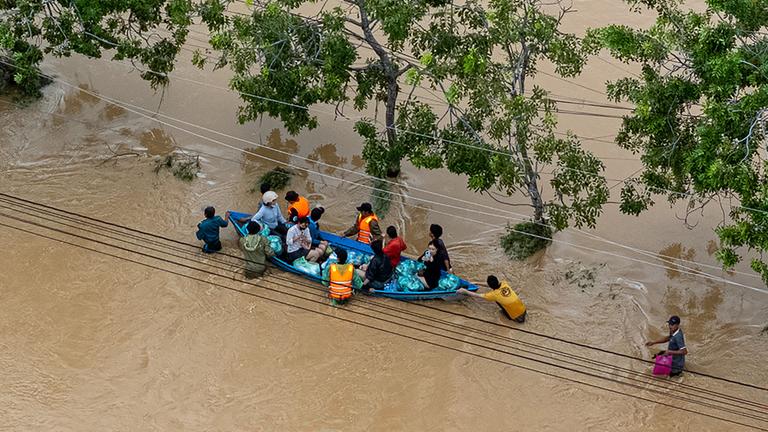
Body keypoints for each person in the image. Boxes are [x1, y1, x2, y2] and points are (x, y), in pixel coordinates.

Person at [458, 275, 527, 323]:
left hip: (517, 318)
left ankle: (506, 315)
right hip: (524, 310)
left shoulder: (493, 295)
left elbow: (477, 295)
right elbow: (492, 285)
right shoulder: (504, 283)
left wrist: (465, 291)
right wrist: (476, 282)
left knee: (497, 302)